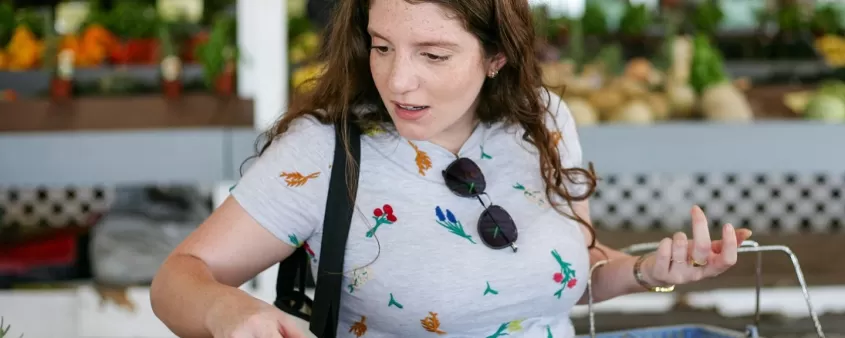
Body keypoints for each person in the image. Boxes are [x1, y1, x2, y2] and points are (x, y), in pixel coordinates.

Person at [149, 0, 753, 337]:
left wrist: (648, 271)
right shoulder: (325, 150)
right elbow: (179, 277)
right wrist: (224, 309)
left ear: (495, 56)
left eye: (433, 54)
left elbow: (574, 270)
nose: (397, 79)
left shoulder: (542, 121)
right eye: (381, 46)